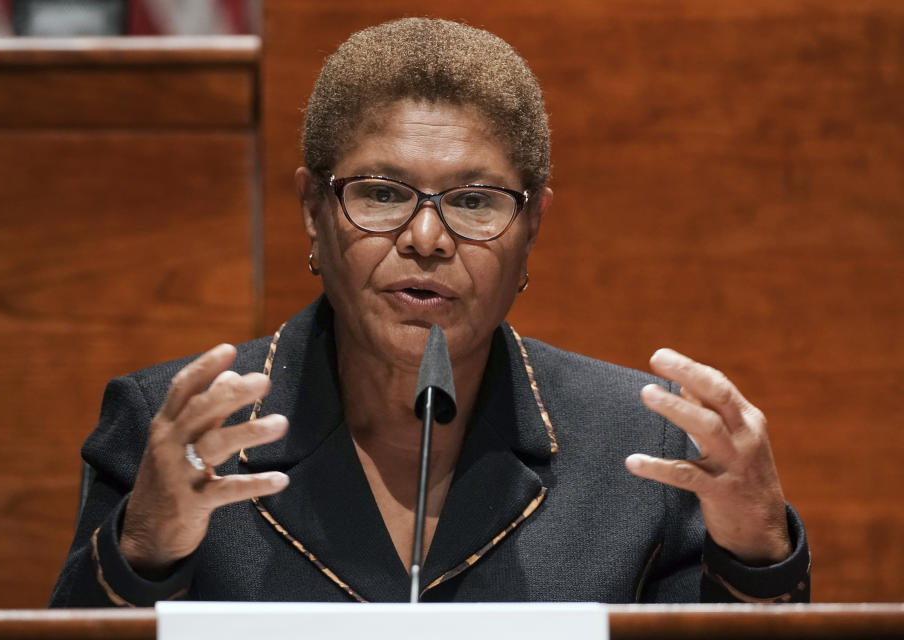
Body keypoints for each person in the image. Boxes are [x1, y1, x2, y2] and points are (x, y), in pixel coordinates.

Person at [50, 18, 810, 607]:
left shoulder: (647, 452)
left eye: (475, 202)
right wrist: (143, 547)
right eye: (382, 193)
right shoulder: (174, 428)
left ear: (532, 226)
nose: (425, 238)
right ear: (313, 207)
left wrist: (758, 551)